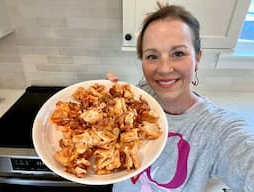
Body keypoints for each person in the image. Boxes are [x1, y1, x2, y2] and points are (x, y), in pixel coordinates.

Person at [106, 2, 254, 192]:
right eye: (152, 56)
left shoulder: (217, 129)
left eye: (178, 53)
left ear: (197, 58)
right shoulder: (140, 98)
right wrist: (106, 111)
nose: (164, 68)